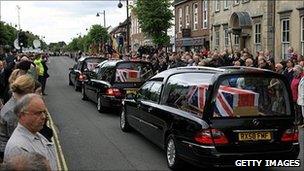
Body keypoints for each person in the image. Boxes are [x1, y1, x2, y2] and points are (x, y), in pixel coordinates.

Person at [4, 94, 58, 170]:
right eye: (38, 113)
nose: (43, 117)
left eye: (44, 112)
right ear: (22, 115)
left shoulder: (34, 133)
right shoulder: (18, 148)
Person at [0, 75, 35, 160]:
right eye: (33, 90)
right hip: (11, 154)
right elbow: (17, 138)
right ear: (28, 90)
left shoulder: (17, 103)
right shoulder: (13, 111)